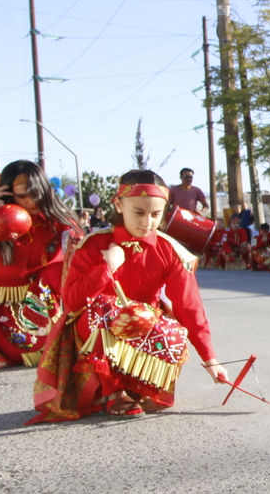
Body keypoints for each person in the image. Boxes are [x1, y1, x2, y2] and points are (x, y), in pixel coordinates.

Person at [31, 170, 228, 420]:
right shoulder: (93, 245)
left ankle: (140, 386)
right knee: (102, 311)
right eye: (139, 212)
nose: (147, 222)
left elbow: (189, 308)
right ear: (118, 205)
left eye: (155, 214)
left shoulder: (170, 250)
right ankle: (112, 391)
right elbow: (71, 302)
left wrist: (210, 359)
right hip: (96, 326)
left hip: (144, 325)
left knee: (173, 331)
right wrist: (106, 268)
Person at [0, 161, 82, 368]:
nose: (32, 201)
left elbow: (79, 260)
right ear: (8, 195)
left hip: (42, 296)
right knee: (1, 359)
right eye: (22, 196)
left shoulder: (58, 219)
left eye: (36, 193)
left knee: (53, 355)